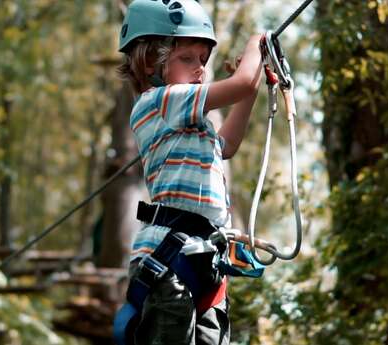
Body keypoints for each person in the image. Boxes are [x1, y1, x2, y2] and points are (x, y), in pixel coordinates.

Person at [115, 0, 262, 344]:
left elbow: (226, 146)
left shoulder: (190, 123)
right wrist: (257, 43)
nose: (200, 69)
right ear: (151, 63)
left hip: (204, 258)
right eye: (187, 58)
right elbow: (242, 84)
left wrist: (249, 90)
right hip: (169, 262)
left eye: (202, 60)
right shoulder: (160, 101)